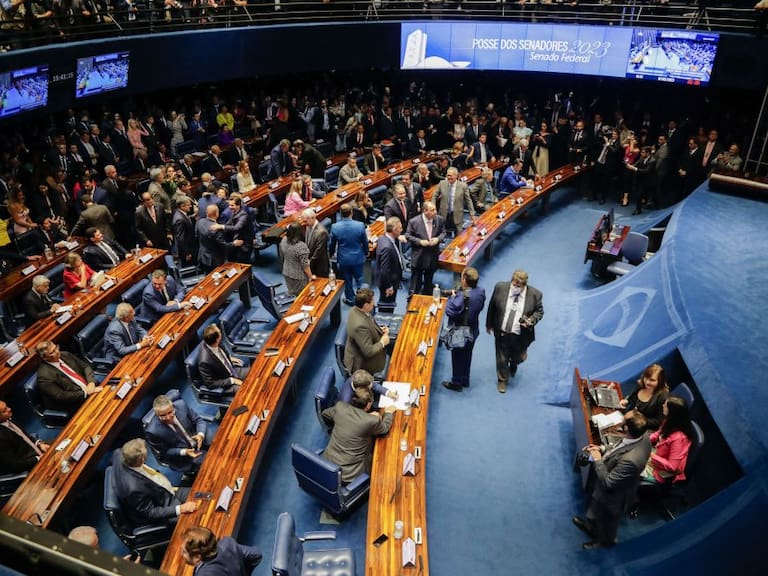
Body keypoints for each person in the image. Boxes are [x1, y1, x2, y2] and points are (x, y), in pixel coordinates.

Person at [573, 411, 651, 549]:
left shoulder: (631, 460)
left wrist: (597, 459)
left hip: (614, 497)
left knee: (607, 521)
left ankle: (605, 542)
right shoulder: (641, 434)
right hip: (608, 483)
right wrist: (601, 448)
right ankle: (591, 527)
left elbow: (608, 483)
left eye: (623, 419)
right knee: (595, 513)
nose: (621, 418)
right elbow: (619, 446)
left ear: (625, 428)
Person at [111, 439, 199, 529]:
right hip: (163, 506)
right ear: (142, 459)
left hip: (166, 491)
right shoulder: (134, 489)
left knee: (201, 494)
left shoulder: (118, 453)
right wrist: (181, 508)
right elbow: (151, 513)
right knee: (197, 519)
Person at [485, 269, 544, 393]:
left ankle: (514, 363)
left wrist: (532, 320)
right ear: (511, 281)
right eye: (514, 284)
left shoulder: (535, 295)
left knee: (519, 357)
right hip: (502, 331)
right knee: (501, 358)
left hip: (521, 335)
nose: (516, 287)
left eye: (519, 285)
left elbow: (539, 312)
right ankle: (502, 380)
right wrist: (489, 324)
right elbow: (492, 306)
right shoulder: (500, 287)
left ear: (524, 285)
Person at [321, 387, 396, 483]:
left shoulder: (340, 407)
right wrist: (389, 413)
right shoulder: (372, 421)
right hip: (349, 474)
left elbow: (325, 414)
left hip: (327, 463)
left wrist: (339, 424)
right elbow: (384, 428)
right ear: (369, 405)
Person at [441, 267, 487, 391]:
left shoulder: (461, 298)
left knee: (457, 357)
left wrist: (452, 297)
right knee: (467, 354)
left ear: (465, 280)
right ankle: (465, 379)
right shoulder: (481, 291)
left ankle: (456, 382)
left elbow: (450, 312)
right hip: (473, 329)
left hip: (459, 332)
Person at [144, 394, 207, 473]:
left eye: (170, 412)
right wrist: (184, 452)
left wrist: (200, 435)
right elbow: (165, 452)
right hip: (182, 457)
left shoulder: (181, 405)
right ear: (156, 414)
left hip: (197, 440)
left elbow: (198, 420)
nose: (168, 417)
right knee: (207, 463)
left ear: (173, 407)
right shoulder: (153, 431)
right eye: (163, 415)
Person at [35, 340, 102, 412]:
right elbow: (61, 396)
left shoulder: (66, 355)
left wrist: (91, 383)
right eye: (52, 352)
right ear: (44, 357)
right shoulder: (44, 376)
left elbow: (85, 367)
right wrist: (86, 392)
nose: (57, 352)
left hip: (91, 387)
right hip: (77, 403)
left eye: (56, 348)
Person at [642, 396, 694, 484]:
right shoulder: (669, 421)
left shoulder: (679, 439)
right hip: (656, 455)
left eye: (665, 405)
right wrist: (643, 440)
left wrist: (651, 455)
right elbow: (658, 433)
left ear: (672, 412)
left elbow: (672, 466)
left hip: (660, 472)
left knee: (630, 466)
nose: (662, 406)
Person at [180, 526, 262, 575]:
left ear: (197, 557)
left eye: (184, 552)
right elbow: (257, 555)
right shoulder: (228, 543)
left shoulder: (204, 574)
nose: (180, 553)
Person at [329, 203, 368, 306]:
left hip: (344, 259)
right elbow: (365, 242)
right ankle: (362, 300)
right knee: (360, 279)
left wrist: (331, 254)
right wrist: (366, 252)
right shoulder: (359, 225)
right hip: (358, 257)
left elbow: (332, 244)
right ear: (351, 212)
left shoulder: (335, 227)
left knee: (347, 280)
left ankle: (350, 300)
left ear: (340, 214)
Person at [344, 288, 390, 376]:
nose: (374, 303)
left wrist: (378, 330)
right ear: (365, 305)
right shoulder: (360, 326)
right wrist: (382, 343)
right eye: (372, 301)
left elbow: (368, 322)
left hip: (361, 346)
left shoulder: (355, 309)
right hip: (361, 363)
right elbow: (368, 352)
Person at [405, 201, 445, 296]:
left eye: (435, 209)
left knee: (428, 283)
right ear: (425, 211)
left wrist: (437, 239)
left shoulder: (439, 219)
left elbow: (443, 232)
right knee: (415, 285)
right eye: (432, 210)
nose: (435, 212)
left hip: (432, 255)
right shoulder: (414, 222)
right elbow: (408, 235)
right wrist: (420, 242)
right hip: (419, 256)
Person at [0, 399, 49, 473]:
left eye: (7, 406)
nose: (9, 409)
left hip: (35, 450)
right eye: (4, 410)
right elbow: (15, 465)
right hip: (29, 465)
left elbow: (25, 436)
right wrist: (38, 458)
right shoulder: (1, 439)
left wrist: (39, 444)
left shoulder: (9, 419)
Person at [619, 363, 670, 430]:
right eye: (646, 378)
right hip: (628, 420)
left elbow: (658, 422)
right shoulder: (641, 384)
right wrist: (627, 401)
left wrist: (636, 420)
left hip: (642, 428)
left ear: (659, 381)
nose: (647, 382)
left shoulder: (662, 397)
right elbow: (632, 399)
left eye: (652, 380)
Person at [198, 324, 248, 392]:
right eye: (219, 332)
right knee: (246, 390)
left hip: (232, 370)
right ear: (217, 339)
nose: (221, 333)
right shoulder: (204, 362)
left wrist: (229, 358)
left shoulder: (213, 342)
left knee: (255, 373)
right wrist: (232, 380)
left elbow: (221, 355)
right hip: (225, 383)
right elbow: (210, 384)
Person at [434, 166, 476, 236]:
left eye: (450, 175)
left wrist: (472, 214)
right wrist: (433, 206)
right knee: (440, 234)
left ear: (456, 176)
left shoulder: (463, 186)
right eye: (447, 175)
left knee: (459, 236)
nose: (448, 177)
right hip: (443, 213)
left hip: (457, 214)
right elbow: (435, 195)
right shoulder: (442, 183)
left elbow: (469, 201)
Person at [375, 216, 405, 306]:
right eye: (400, 228)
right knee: (387, 306)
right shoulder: (387, 247)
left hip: (390, 279)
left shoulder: (382, 238)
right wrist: (389, 286)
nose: (402, 230)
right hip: (388, 282)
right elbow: (385, 269)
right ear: (394, 230)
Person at [279, 222, 314, 296]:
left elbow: (282, 256)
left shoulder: (284, 240)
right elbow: (305, 266)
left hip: (286, 272)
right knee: (302, 296)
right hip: (299, 277)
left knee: (292, 294)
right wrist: (311, 277)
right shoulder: (301, 247)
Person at [301, 208, 330, 277]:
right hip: (310, 262)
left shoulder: (321, 232)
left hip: (320, 265)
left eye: (305, 221)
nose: (304, 223)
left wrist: (309, 263)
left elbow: (318, 251)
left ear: (312, 218)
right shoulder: (308, 226)